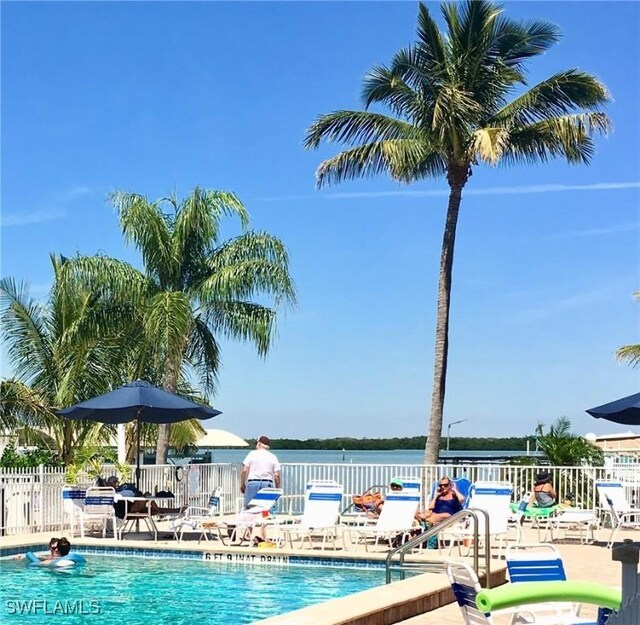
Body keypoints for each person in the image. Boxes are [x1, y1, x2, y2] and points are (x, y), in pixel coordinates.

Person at [106, 475, 184, 518]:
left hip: (130, 507)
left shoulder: (116, 490)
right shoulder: (111, 491)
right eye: (114, 482)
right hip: (129, 510)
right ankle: (161, 510)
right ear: (109, 483)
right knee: (147, 495)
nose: (115, 483)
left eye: (116, 482)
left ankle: (177, 510)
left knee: (152, 509)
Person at [240, 436, 281, 509]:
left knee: (250, 508)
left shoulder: (252, 454)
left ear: (259, 444)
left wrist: (242, 483)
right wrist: (277, 489)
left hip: (253, 483)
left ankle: (251, 520)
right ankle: (264, 519)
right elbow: (276, 476)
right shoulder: (273, 457)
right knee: (266, 508)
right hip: (267, 484)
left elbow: (244, 470)